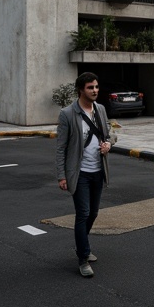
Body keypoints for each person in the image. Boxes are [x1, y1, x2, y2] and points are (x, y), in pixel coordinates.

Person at [54, 72, 116, 277]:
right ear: (81, 90)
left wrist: (109, 143)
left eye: (97, 87)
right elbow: (61, 148)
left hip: (98, 170)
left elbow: (109, 133)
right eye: (91, 87)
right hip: (79, 173)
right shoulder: (67, 113)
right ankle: (83, 258)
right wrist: (61, 175)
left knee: (94, 213)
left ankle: (83, 246)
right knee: (83, 214)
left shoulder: (101, 110)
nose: (95, 90)